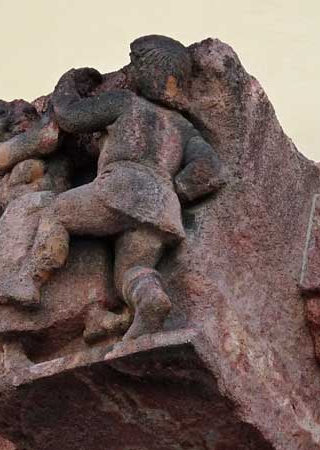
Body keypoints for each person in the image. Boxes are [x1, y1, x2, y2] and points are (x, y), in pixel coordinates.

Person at [12, 35, 224, 340]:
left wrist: (68, 82)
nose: (129, 69)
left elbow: (70, 116)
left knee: (56, 213)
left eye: (134, 63)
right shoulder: (182, 126)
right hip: (161, 208)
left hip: (119, 190)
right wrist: (173, 188)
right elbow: (211, 169)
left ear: (147, 70)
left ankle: (31, 280)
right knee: (129, 273)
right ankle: (149, 299)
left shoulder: (125, 103)